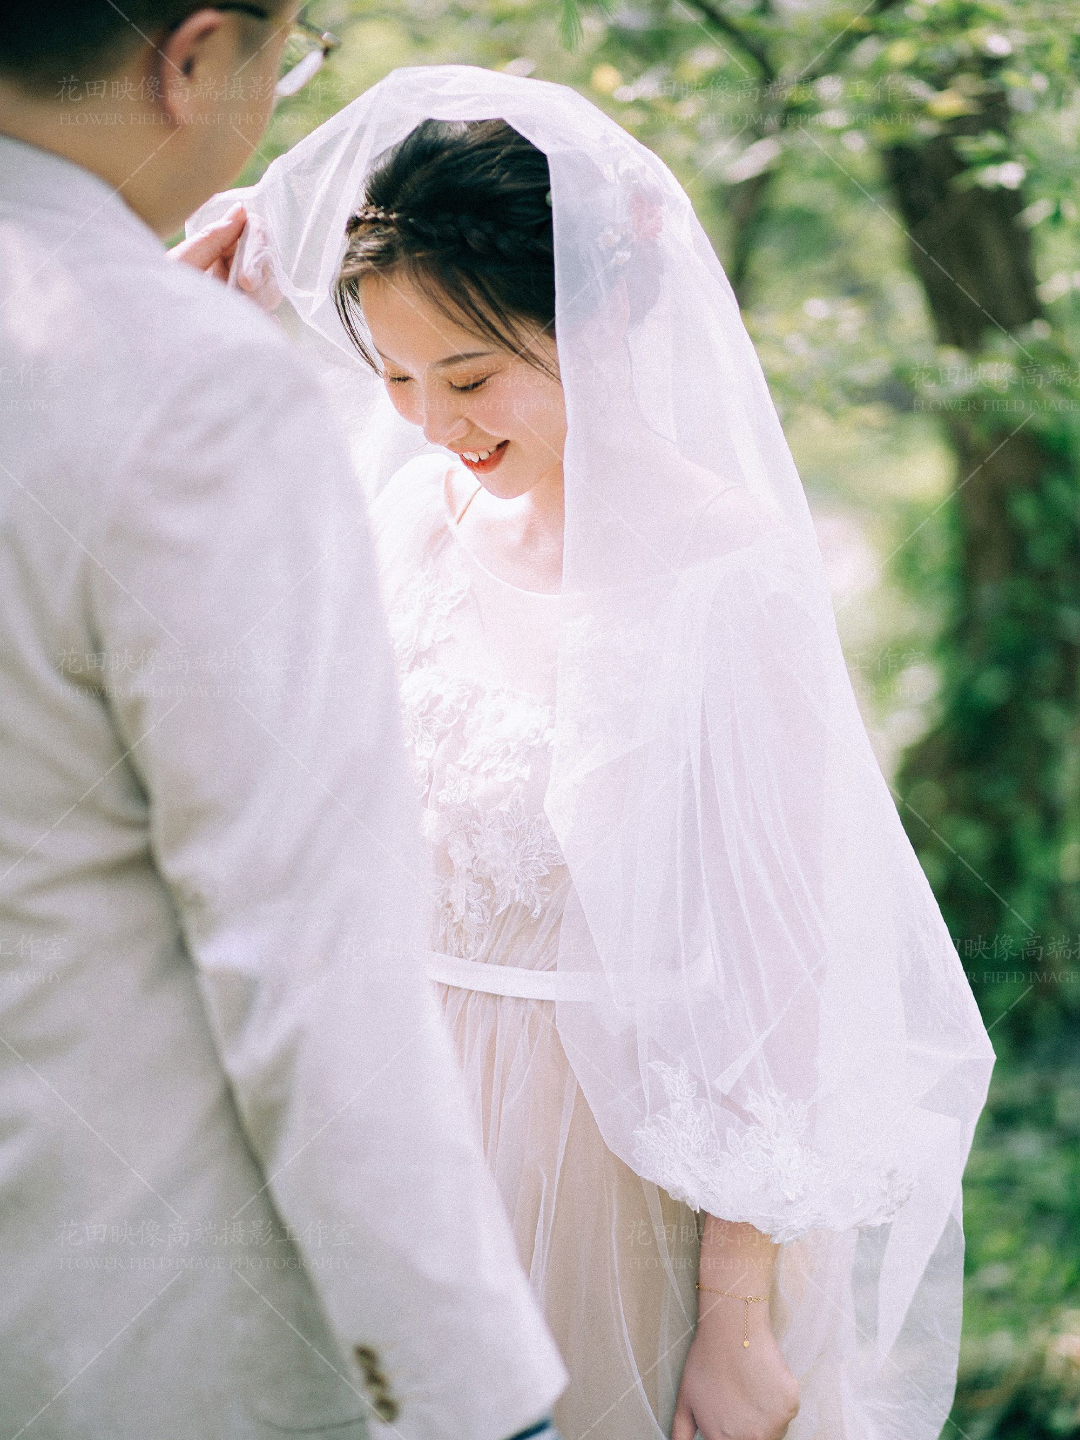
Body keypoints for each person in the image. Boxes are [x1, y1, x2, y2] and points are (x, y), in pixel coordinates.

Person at [188, 65, 997, 1440]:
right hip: (394, 1135)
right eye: (395, 376)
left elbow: (778, 965)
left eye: (472, 375)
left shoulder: (721, 571)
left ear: (599, 324)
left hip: (610, 1173)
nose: (433, 421)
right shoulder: (411, 522)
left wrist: (734, 1321)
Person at [0, 12, 567, 1440]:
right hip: (122, 1318)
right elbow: (307, 950)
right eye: (289, 50)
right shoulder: (182, 385)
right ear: (192, 58)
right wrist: (485, 1403)